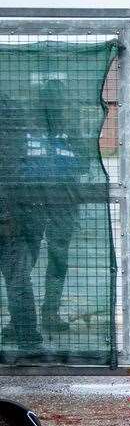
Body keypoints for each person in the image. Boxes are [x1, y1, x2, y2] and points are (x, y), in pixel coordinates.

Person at [24, 79, 88, 334]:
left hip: (62, 203)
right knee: (26, 260)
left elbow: (84, 163)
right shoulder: (29, 131)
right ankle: (21, 318)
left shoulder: (70, 131)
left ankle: (49, 313)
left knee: (56, 257)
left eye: (57, 100)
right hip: (32, 204)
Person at [0, 95, 42, 351]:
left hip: (12, 218)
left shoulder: (13, 145)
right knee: (18, 280)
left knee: (18, 280)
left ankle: (26, 334)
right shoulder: (20, 141)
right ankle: (26, 336)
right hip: (15, 218)